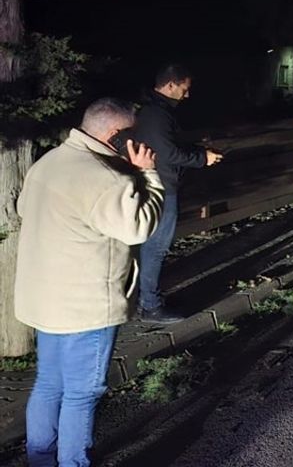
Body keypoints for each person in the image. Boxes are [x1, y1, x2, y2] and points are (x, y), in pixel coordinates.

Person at [15, 98, 165, 467]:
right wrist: (147, 175)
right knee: (82, 393)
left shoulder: (46, 164)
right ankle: (74, 462)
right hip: (86, 308)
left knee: (49, 384)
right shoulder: (105, 179)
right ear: (117, 136)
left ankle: (39, 459)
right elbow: (139, 225)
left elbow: (24, 210)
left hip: (45, 301)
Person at [130, 63, 223, 323]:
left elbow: (167, 145)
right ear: (171, 85)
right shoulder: (157, 114)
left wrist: (195, 149)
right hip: (161, 187)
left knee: (150, 246)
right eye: (185, 88)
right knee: (156, 247)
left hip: (156, 184)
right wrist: (202, 158)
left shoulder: (154, 112)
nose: (187, 94)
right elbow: (168, 153)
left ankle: (145, 300)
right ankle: (150, 305)